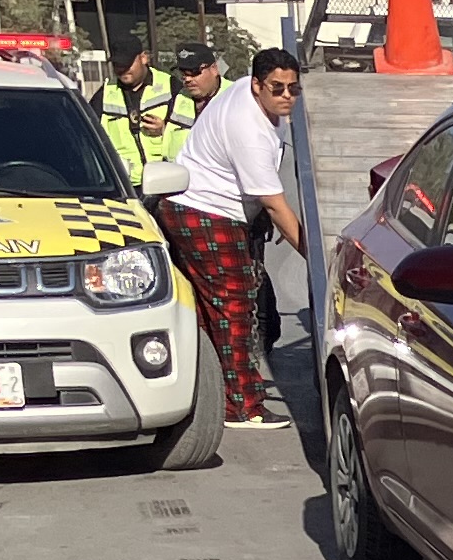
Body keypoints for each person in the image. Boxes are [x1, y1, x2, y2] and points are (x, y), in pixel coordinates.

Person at [167, 48, 306, 431]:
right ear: (258, 84)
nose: (286, 96)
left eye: (293, 88)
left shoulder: (250, 92)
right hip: (204, 212)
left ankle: (211, 394)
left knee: (220, 308)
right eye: (277, 88)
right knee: (233, 306)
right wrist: (318, 259)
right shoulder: (249, 130)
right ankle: (243, 407)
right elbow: (276, 205)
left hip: (208, 209)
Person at [92, 42, 175, 175]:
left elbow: (189, 133)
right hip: (125, 186)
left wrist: (165, 130)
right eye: (117, 65)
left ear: (143, 58)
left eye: (127, 63)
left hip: (165, 180)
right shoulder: (105, 93)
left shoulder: (170, 86)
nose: (122, 69)